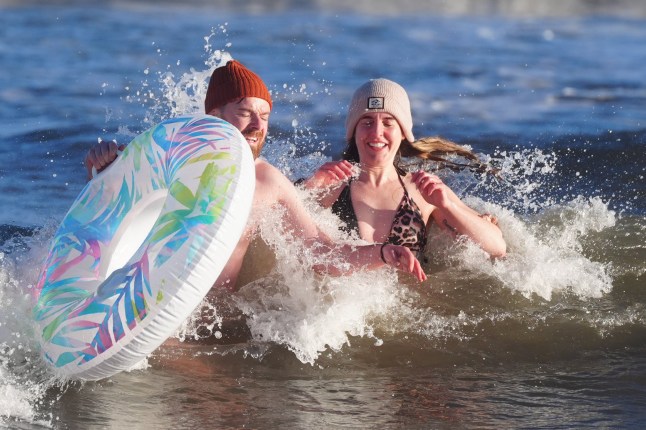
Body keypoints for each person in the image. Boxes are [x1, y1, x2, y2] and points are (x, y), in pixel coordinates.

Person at [84, 61, 427, 298]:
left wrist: (382, 253)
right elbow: (109, 224)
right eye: (246, 113)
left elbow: (319, 251)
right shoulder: (168, 159)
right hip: (140, 312)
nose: (258, 127)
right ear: (213, 115)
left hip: (208, 327)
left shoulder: (267, 181)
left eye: (264, 116)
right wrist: (103, 171)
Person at [299, 78, 506, 259]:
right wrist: (310, 186)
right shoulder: (332, 185)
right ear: (353, 130)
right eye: (367, 122)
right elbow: (277, 229)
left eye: (388, 123)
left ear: (403, 133)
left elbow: (496, 248)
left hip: (408, 301)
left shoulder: (421, 191)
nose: (377, 133)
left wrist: (448, 206)